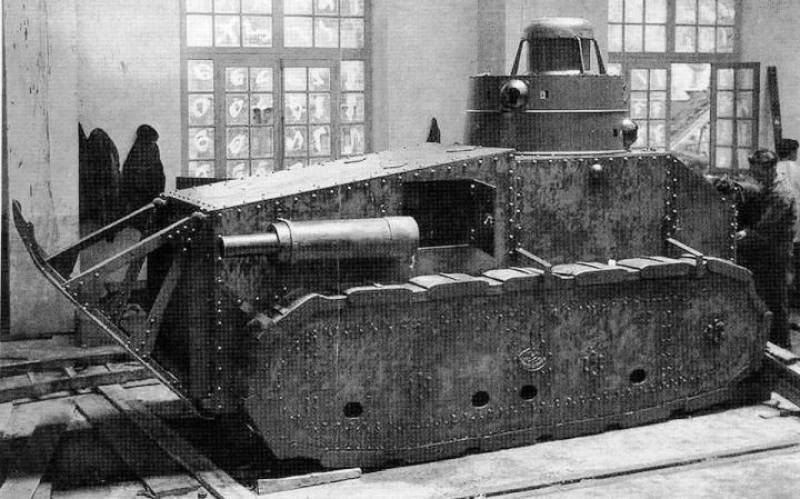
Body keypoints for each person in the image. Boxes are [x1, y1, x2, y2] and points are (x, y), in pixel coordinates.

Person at [736, 149, 796, 348]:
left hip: (776, 254)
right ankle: (765, 343)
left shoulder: (781, 193)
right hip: (763, 251)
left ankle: (782, 347)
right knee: (762, 299)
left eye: (758, 173)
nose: (755, 177)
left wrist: (744, 234)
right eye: (753, 172)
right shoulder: (768, 184)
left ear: (770, 169)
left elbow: (766, 226)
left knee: (776, 301)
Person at [120, 124, 165, 217]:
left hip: (152, 192)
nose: (153, 144)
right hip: (138, 195)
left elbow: (159, 172)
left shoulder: (152, 148)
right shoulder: (137, 151)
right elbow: (129, 176)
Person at [776, 138, 800, 304]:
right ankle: (796, 295)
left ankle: (781, 294)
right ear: (792, 152)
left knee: (779, 258)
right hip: (796, 218)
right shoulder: (797, 170)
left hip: (777, 219)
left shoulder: (773, 170)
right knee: (797, 257)